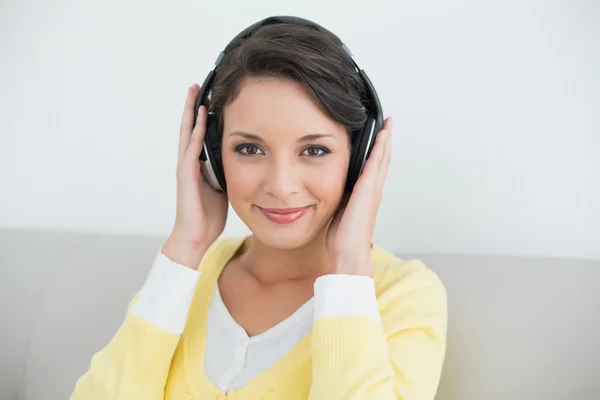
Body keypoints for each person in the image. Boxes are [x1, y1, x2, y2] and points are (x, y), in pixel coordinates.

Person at [70, 16, 447, 400]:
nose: (281, 187)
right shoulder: (185, 273)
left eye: (314, 150)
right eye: (249, 149)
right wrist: (185, 247)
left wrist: (349, 266)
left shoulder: (405, 297)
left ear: (359, 159)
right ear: (212, 157)